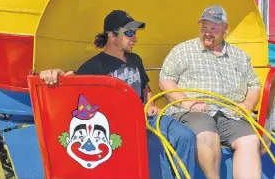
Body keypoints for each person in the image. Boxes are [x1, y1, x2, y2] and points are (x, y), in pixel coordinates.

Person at [39, 10, 196, 179]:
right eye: (129, 33)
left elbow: (146, 88)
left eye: (134, 33)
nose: (134, 38)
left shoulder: (135, 59)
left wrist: (150, 105)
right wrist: (52, 74)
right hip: (122, 124)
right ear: (112, 36)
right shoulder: (93, 66)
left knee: (186, 136)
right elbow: (70, 87)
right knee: (153, 145)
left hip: (147, 118)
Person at [159, 5, 262, 179]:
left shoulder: (240, 56)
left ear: (225, 28)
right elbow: (165, 79)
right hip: (194, 111)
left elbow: (254, 84)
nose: (207, 32)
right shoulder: (183, 50)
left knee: (250, 140)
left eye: (213, 28)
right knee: (206, 134)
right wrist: (186, 101)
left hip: (230, 113)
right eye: (204, 27)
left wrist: (247, 104)